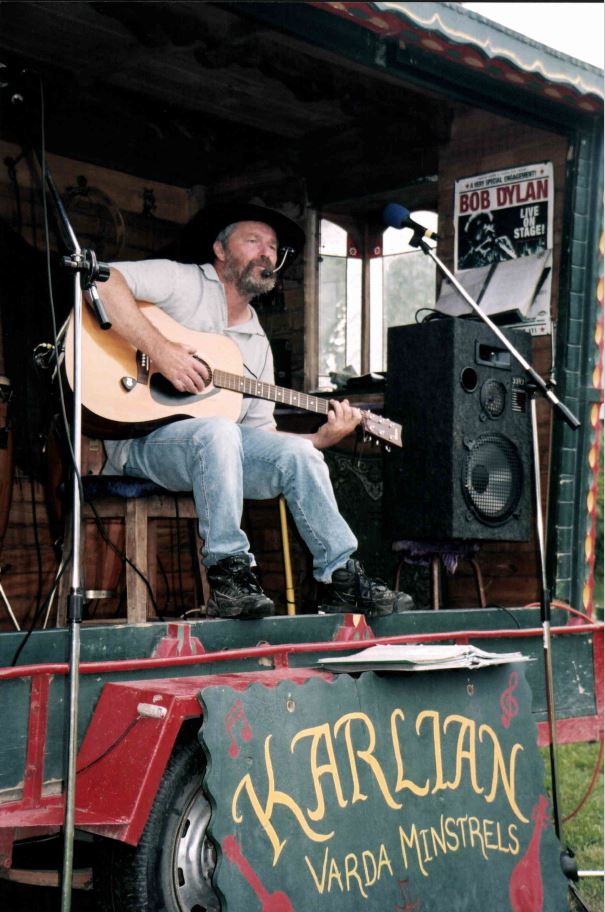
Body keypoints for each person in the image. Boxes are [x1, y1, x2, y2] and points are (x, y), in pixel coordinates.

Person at [99, 203, 413, 619]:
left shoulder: (257, 343)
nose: (267, 253)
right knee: (219, 430)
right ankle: (229, 574)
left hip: (212, 448)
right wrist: (161, 350)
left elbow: (259, 435)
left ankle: (339, 578)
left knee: (299, 454)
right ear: (220, 250)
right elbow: (101, 278)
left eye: (273, 247)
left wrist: (319, 439)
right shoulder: (183, 282)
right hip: (140, 441)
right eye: (253, 241)